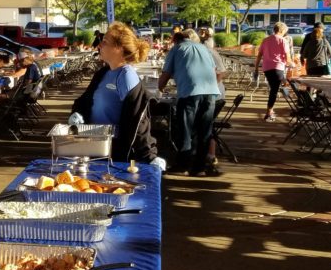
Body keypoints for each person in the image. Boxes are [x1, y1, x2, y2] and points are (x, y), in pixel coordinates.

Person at [70, 21, 156, 163]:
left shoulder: (126, 75)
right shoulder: (103, 72)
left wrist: (149, 155)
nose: (99, 45)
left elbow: (138, 118)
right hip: (93, 146)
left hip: (113, 153)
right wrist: (77, 112)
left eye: (105, 42)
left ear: (119, 48)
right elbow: (85, 100)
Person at [158, 29, 219, 175]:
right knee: (204, 132)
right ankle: (199, 167)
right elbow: (214, 70)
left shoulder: (177, 49)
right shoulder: (204, 48)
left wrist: (158, 89)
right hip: (210, 91)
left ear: (177, 40)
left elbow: (166, 74)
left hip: (189, 93)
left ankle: (183, 166)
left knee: (185, 131)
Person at [198, 27, 226, 173]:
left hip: (215, 95)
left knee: (205, 123)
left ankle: (210, 155)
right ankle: (207, 154)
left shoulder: (210, 52)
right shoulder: (206, 51)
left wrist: (211, 87)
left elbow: (221, 72)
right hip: (211, 93)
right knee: (205, 123)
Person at [254, 22, 293, 122]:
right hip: (278, 67)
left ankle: (270, 110)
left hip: (267, 68)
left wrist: (256, 68)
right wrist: (292, 64)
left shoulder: (266, 40)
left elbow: (259, 55)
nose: (285, 33)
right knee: (274, 90)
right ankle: (269, 112)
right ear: (281, 30)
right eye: (285, 31)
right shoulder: (283, 41)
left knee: (273, 89)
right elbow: (288, 58)